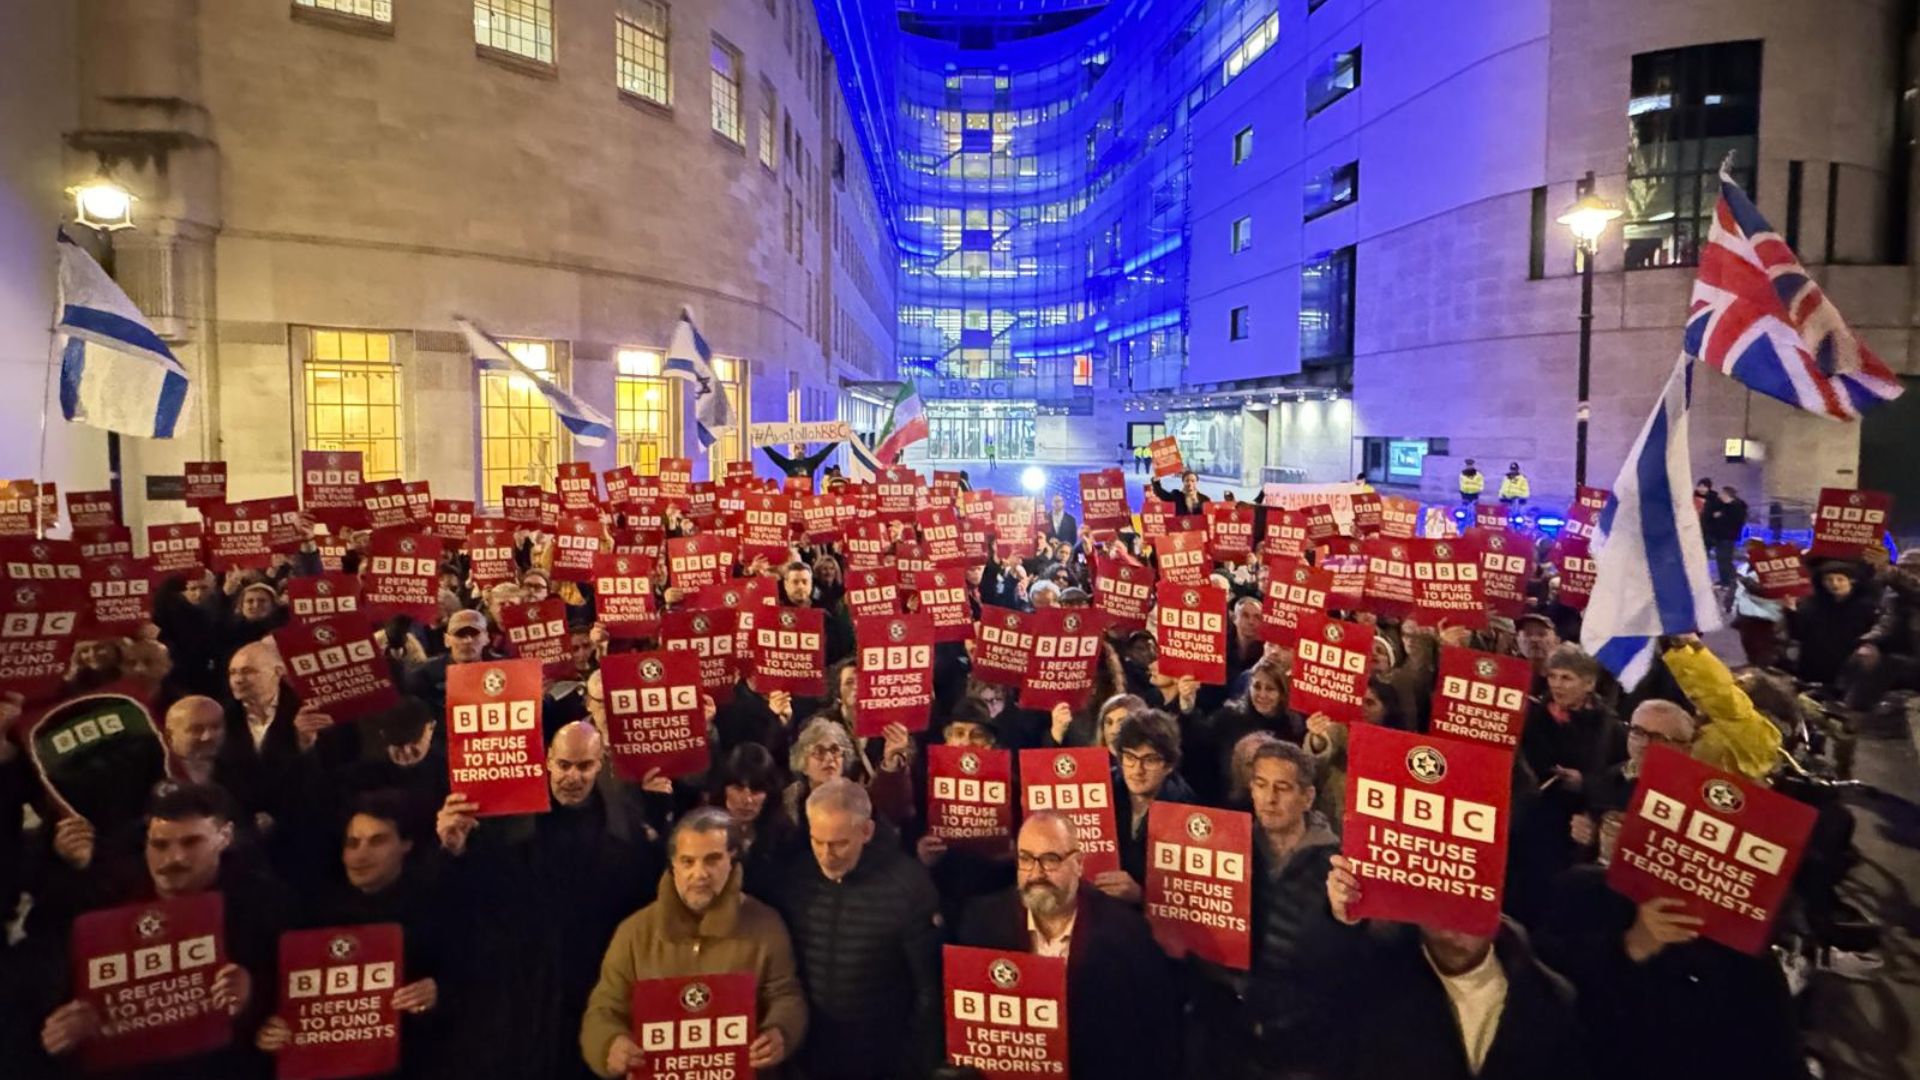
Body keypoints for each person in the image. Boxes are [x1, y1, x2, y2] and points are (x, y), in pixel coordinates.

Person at [437, 721, 661, 1080]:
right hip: (523, 985)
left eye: (584, 766)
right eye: (564, 765)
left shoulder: (626, 829)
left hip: (593, 980)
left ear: (600, 763)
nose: (573, 777)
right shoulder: (507, 823)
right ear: (547, 761)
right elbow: (477, 897)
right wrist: (456, 849)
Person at [35, 783, 296, 1078]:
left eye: (191, 843)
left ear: (224, 837)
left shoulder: (264, 904)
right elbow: (48, 994)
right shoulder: (103, 902)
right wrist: (60, 1032)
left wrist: (254, 998)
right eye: (160, 845)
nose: (174, 859)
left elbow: (293, 1004)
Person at [579, 807, 806, 1078]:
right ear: (673, 864)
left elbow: (785, 994)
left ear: (732, 859)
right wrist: (609, 1044)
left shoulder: (766, 925)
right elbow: (604, 1008)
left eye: (712, 860)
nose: (699, 874)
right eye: (687, 862)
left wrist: (779, 1031)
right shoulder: (634, 933)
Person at [957, 811, 1181, 1080]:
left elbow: (1156, 1034)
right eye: (1025, 859)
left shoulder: (1126, 933)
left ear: (1078, 864)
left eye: (1051, 859)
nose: (1036, 873)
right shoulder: (981, 923)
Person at [1326, 857, 1590, 1080]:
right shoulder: (1377, 978)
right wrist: (1342, 918)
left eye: (1467, 908)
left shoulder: (1552, 999)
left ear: (1496, 908)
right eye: (1440, 907)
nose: (1452, 927)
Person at [255, 792, 452, 1078]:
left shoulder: (438, 906)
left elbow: (475, 981)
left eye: (377, 841)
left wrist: (439, 993)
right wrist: (272, 1030)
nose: (361, 854)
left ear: (406, 844)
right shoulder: (313, 916)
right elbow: (288, 998)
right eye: (352, 843)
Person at [774, 779, 943, 1080]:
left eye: (839, 843)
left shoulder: (908, 886)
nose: (826, 855)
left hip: (882, 1063)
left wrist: (914, 1063)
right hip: (807, 1060)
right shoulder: (795, 877)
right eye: (817, 841)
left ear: (866, 831)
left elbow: (929, 990)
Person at [1106, 711, 1195, 904]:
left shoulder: (1184, 808)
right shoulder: (1102, 788)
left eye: (1150, 760)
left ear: (1169, 766)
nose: (1138, 770)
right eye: (1130, 757)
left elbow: (1186, 896)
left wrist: (1141, 895)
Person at [405, 607, 494, 716]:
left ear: (486, 638)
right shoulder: (424, 675)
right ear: (447, 640)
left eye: (474, 634)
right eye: (460, 634)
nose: (468, 641)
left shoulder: (504, 669)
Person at [1704, 485, 1749, 587]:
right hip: (1721, 537)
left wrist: (1720, 517)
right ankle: (1726, 580)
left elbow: (1733, 522)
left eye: (1722, 494)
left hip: (1727, 537)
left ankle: (1728, 581)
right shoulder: (1724, 506)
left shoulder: (1736, 508)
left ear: (1726, 495)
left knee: (1725, 560)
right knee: (1722, 560)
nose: (1720, 496)